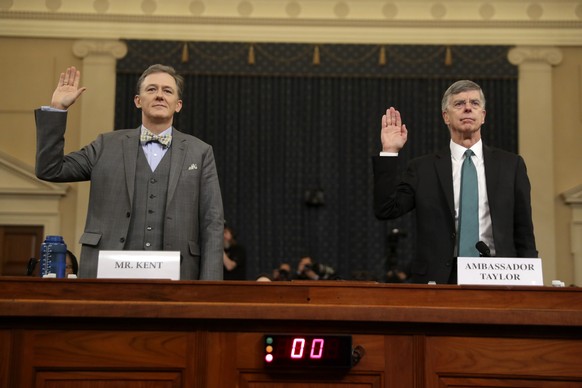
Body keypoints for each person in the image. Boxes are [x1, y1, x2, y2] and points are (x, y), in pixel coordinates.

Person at [35, 65, 224, 280]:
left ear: (178, 105)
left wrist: (211, 286)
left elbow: (212, 222)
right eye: (152, 89)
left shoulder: (200, 152)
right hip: (107, 273)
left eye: (167, 91)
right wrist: (58, 109)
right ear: (138, 100)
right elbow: (50, 169)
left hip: (179, 275)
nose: (160, 95)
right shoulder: (106, 145)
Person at [372, 80, 537, 284]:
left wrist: (531, 284)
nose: (468, 107)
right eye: (459, 104)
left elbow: (524, 231)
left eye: (475, 103)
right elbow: (386, 209)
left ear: (483, 116)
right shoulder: (423, 169)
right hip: (439, 279)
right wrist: (389, 151)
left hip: (498, 275)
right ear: (446, 117)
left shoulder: (511, 166)